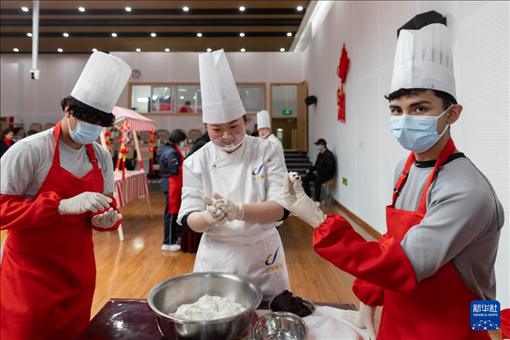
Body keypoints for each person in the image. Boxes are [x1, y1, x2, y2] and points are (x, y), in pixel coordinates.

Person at [283, 24, 504, 340]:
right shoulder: (407, 167)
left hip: (448, 327)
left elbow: (406, 264)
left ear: (452, 113)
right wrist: (369, 298)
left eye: (420, 108)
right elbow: (393, 242)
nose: (405, 120)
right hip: (398, 317)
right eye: (396, 110)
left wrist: (317, 219)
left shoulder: (466, 190)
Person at [0, 51, 131, 340]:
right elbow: (2, 210)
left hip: (77, 273)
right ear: (68, 109)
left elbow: (104, 206)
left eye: (100, 123)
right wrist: (58, 206)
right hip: (29, 274)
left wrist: (105, 219)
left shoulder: (101, 156)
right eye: (87, 118)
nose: (92, 128)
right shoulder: (29, 151)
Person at [178, 49, 290, 299]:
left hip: (263, 254)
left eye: (234, 127)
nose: (227, 136)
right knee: (215, 316)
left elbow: (282, 207)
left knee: (267, 316)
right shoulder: (197, 161)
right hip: (217, 256)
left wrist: (238, 210)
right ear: (206, 127)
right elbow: (188, 219)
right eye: (217, 129)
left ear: (245, 120)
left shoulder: (267, 149)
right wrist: (209, 216)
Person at [159, 129, 187, 251]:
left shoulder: (168, 148)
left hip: (173, 184)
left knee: (174, 212)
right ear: (178, 139)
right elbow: (175, 169)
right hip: (171, 184)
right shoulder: (170, 151)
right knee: (171, 213)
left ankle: (173, 238)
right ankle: (168, 242)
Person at [301, 138, 335, 206]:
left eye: (318, 145)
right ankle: (309, 198)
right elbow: (316, 165)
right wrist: (310, 170)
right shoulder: (320, 154)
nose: (317, 147)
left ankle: (317, 200)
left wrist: (319, 173)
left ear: (322, 145)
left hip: (327, 175)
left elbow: (329, 167)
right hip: (319, 173)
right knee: (305, 179)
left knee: (317, 181)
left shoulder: (329, 154)